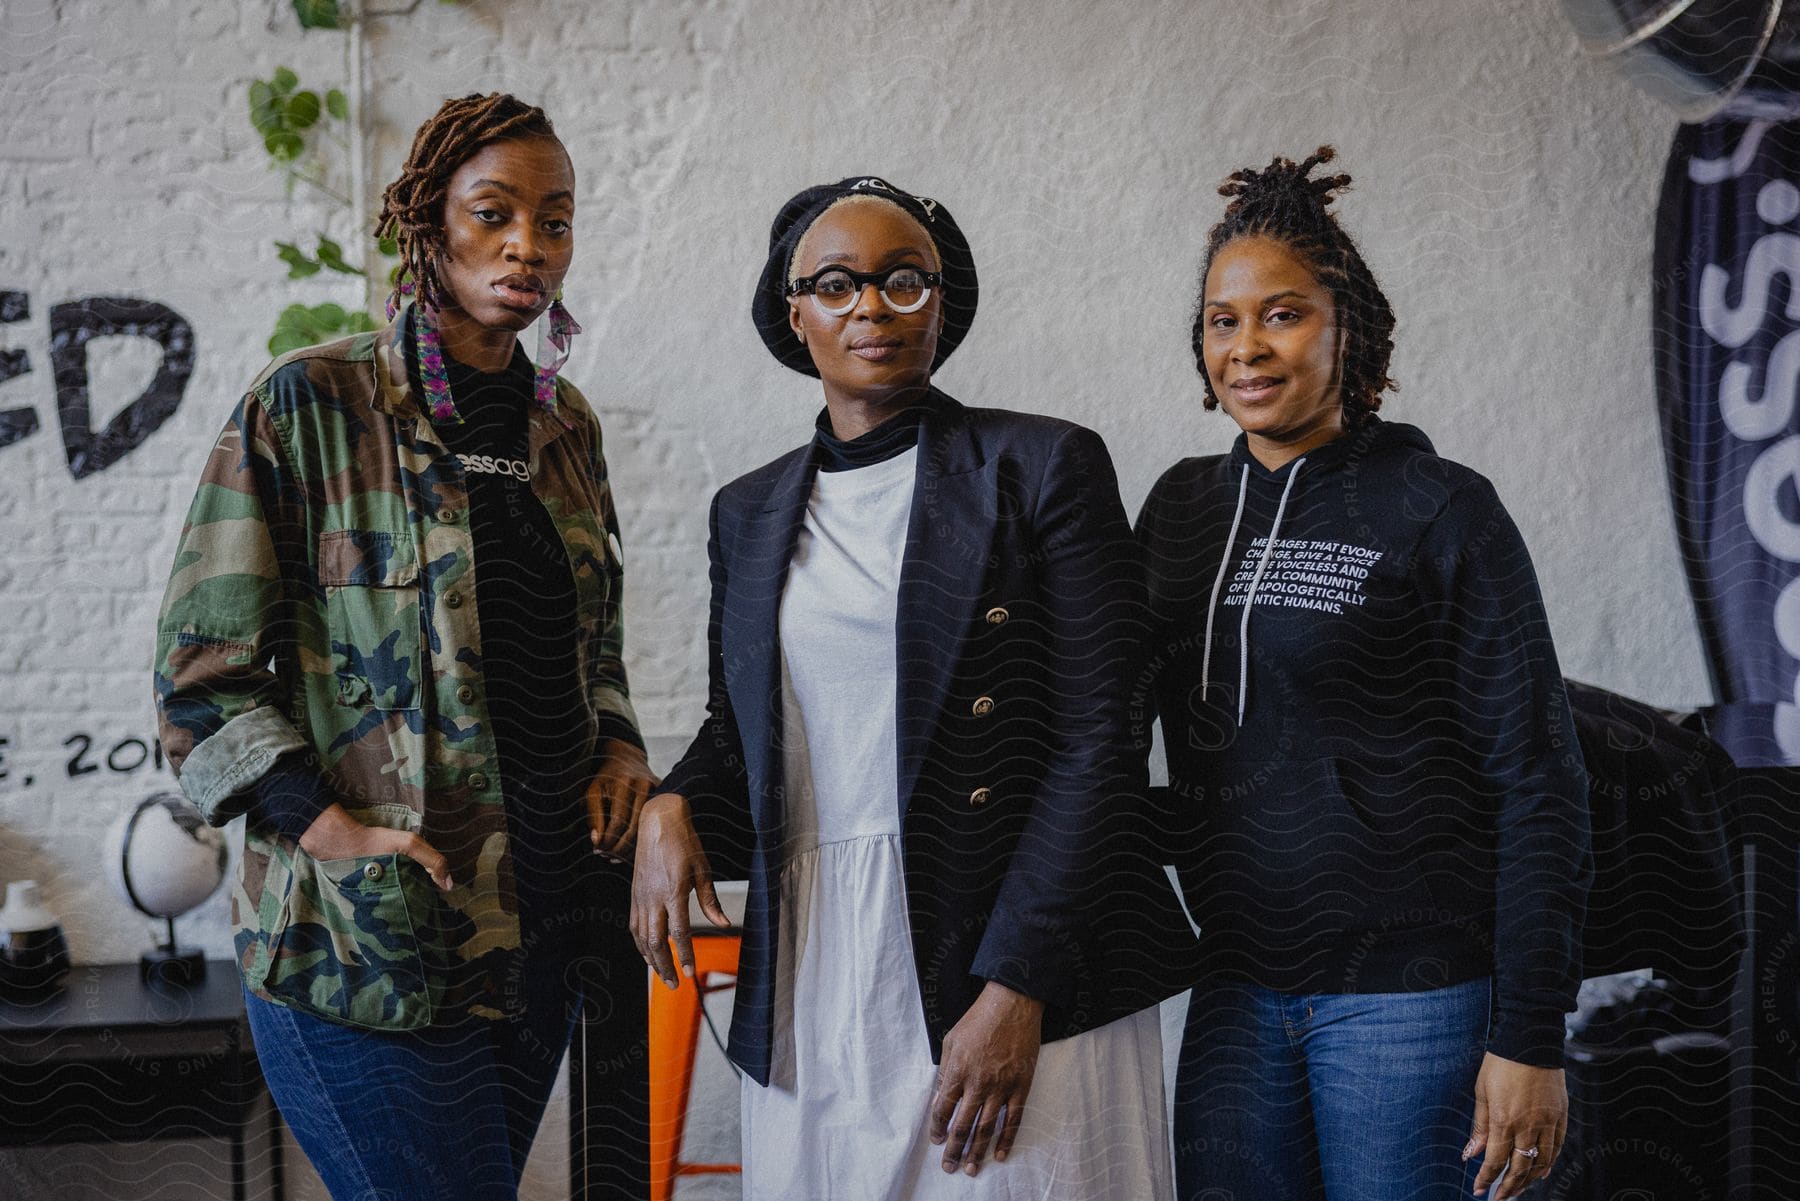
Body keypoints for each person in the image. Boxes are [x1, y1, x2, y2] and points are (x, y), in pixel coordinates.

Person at [630, 175, 1192, 1200]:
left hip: (1005, 940)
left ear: (942, 301)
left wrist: (1017, 984)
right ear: (792, 313)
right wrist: (671, 800)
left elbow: (1100, 737)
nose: (872, 310)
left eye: (903, 281)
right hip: (815, 967)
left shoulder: (1042, 466)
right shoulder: (746, 512)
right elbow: (744, 726)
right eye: (837, 285)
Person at [153, 93, 656, 1200]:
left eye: (557, 220)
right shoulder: (312, 404)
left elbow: (596, 646)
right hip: (364, 947)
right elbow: (201, 676)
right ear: (427, 222)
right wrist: (322, 825)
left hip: (541, 931)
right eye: (494, 213)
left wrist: (619, 749)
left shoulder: (565, 428)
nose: (530, 245)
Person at [1136, 147, 1593, 1201]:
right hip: (1236, 989)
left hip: (1410, 1001)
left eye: (1282, 314)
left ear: (1349, 328)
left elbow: (1540, 778)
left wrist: (1531, 1036)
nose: (1247, 346)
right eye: (1223, 320)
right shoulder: (1178, 513)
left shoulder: (1439, 508)